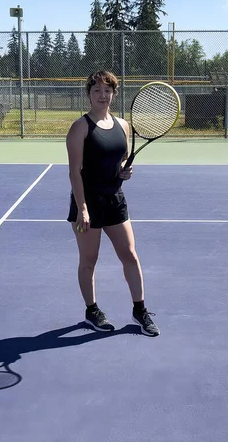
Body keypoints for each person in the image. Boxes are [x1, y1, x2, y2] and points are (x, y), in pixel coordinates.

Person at [66, 70, 159, 337]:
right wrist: (82, 208)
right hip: (88, 203)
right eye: (96, 91)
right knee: (89, 260)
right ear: (89, 94)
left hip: (115, 200)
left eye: (107, 91)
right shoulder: (80, 127)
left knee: (130, 255)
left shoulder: (124, 126)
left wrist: (123, 171)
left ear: (114, 94)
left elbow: (121, 159)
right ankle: (91, 310)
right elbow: (74, 171)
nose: (102, 95)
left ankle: (139, 310)